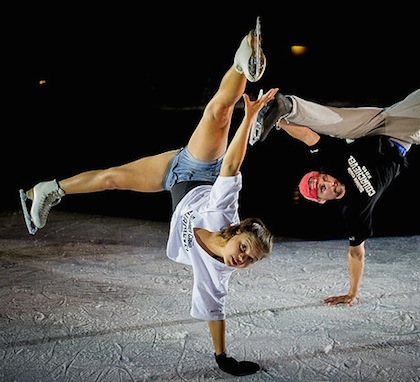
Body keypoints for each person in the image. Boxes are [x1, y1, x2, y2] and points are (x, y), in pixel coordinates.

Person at [19, 19, 277, 376]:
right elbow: (231, 163)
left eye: (249, 261)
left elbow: (215, 313)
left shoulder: (215, 274)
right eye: (247, 248)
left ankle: (45, 189)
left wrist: (222, 359)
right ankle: (242, 58)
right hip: (198, 170)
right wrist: (248, 119)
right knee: (219, 114)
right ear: (237, 233)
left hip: (172, 181)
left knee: (111, 179)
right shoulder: (222, 211)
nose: (242, 259)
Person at [251, 88, 420, 306]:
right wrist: (352, 293)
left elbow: (307, 135)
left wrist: (278, 123)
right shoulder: (354, 210)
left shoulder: (331, 161)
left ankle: (285, 107)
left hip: (369, 128)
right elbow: (356, 254)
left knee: (337, 123)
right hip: (400, 134)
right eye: (322, 188)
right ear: (322, 200)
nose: (328, 182)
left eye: (323, 179)